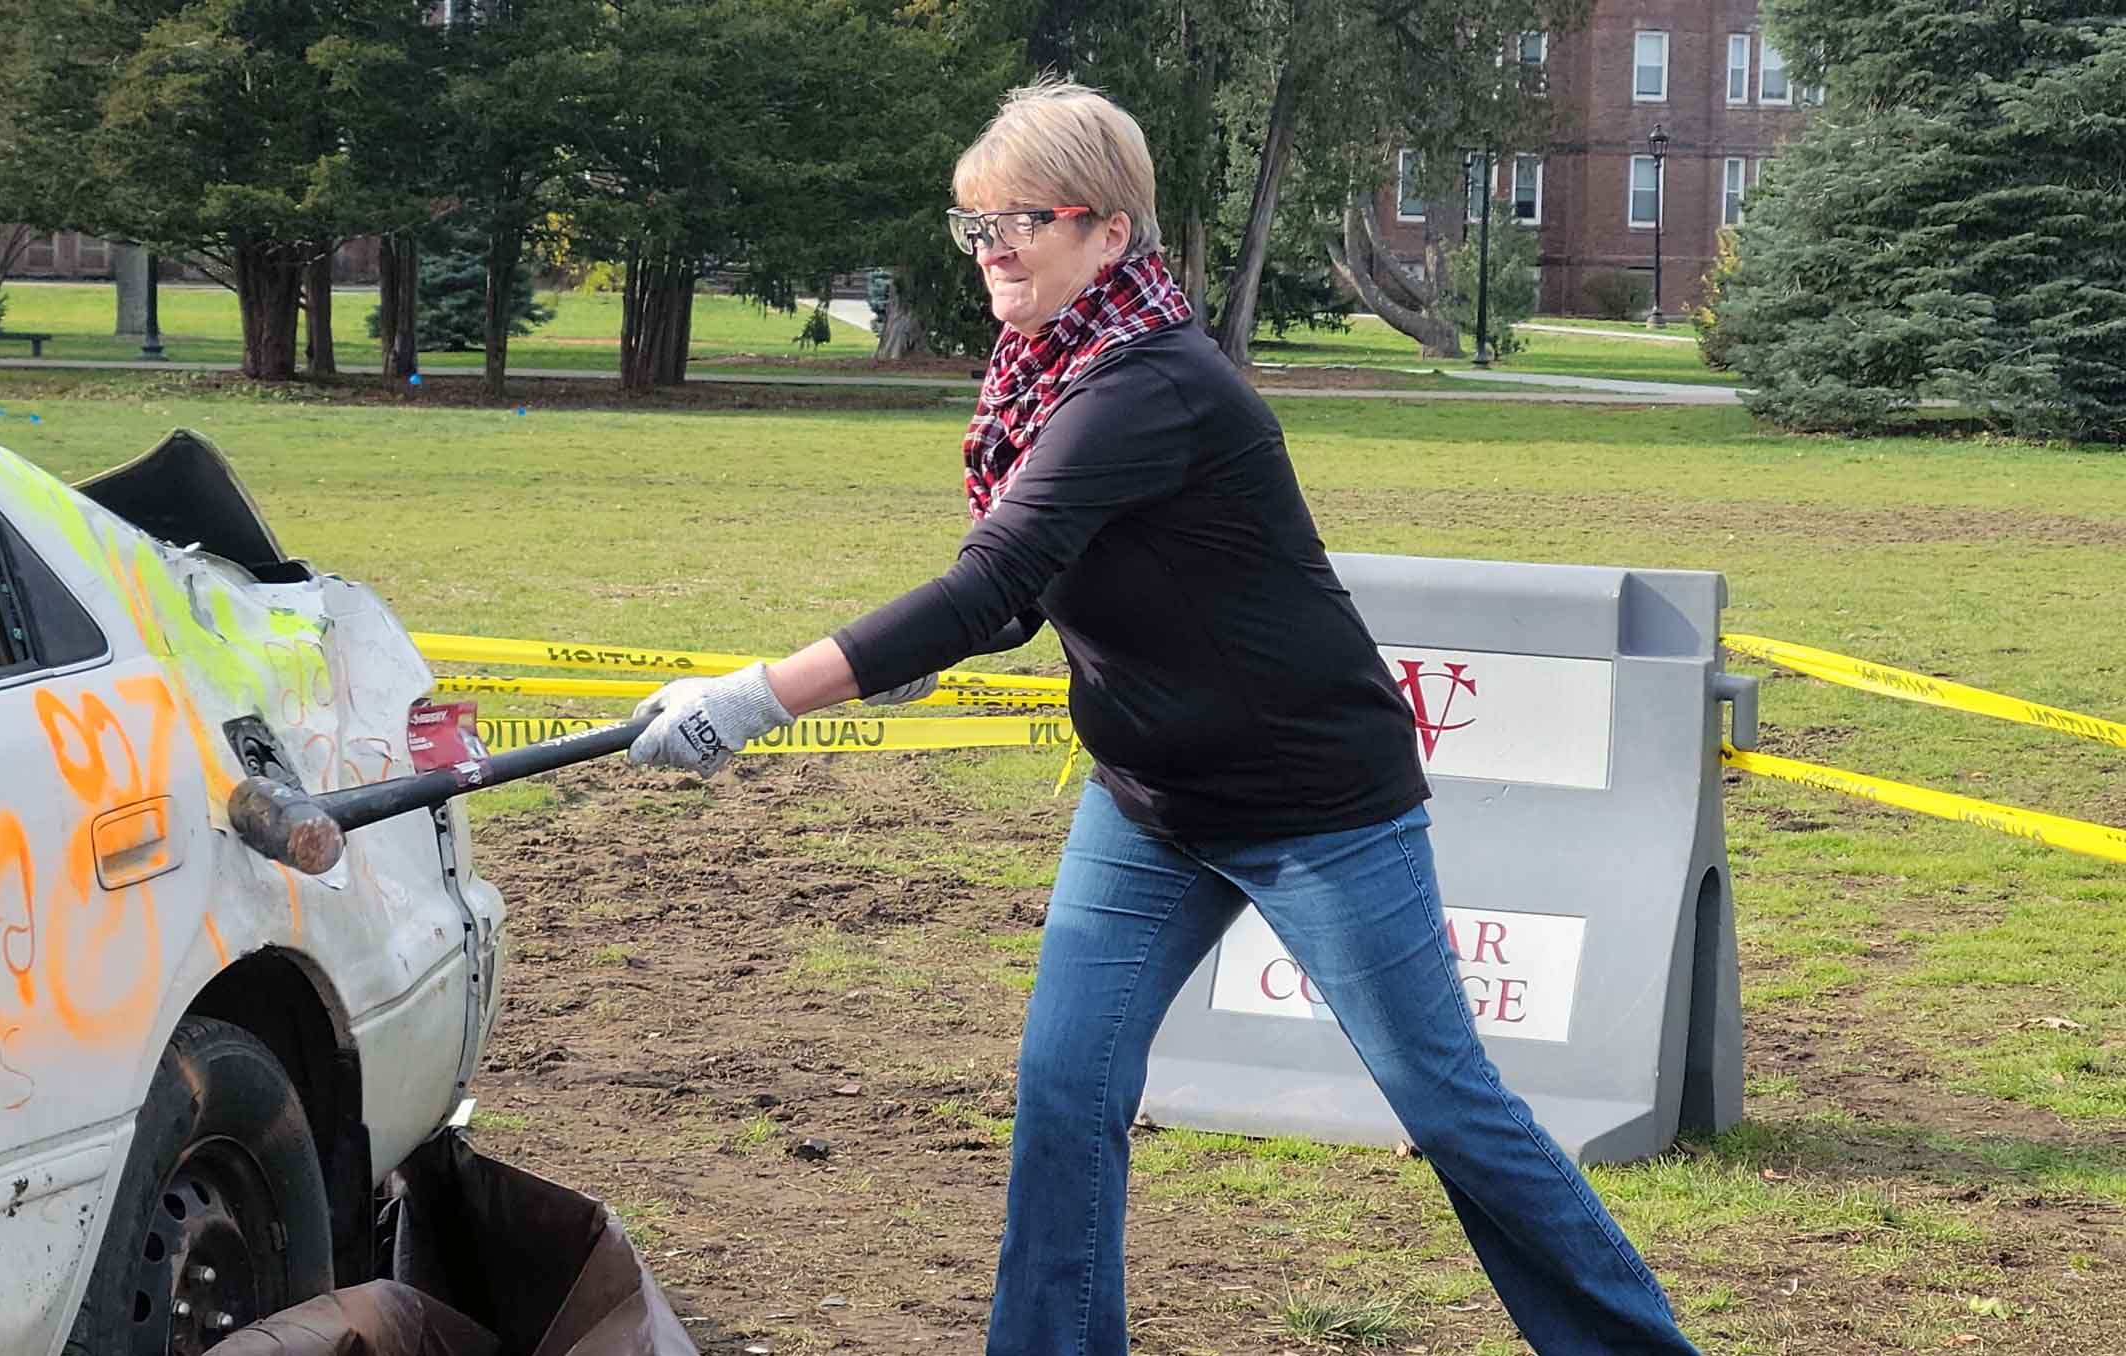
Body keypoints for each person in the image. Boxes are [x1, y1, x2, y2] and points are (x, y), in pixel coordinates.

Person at [626, 79, 1700, 1356]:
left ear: (1112, 233)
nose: (995, 249)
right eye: (977, 225)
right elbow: (1027, 587)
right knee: (1067, 1090)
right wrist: (896, 661)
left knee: (1448, 1105)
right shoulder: (1046, 373)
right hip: (1147, 802)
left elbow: (991, 584)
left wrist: (756, 698)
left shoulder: (1154, 384)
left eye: (1028, 218)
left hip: (1317, 807)